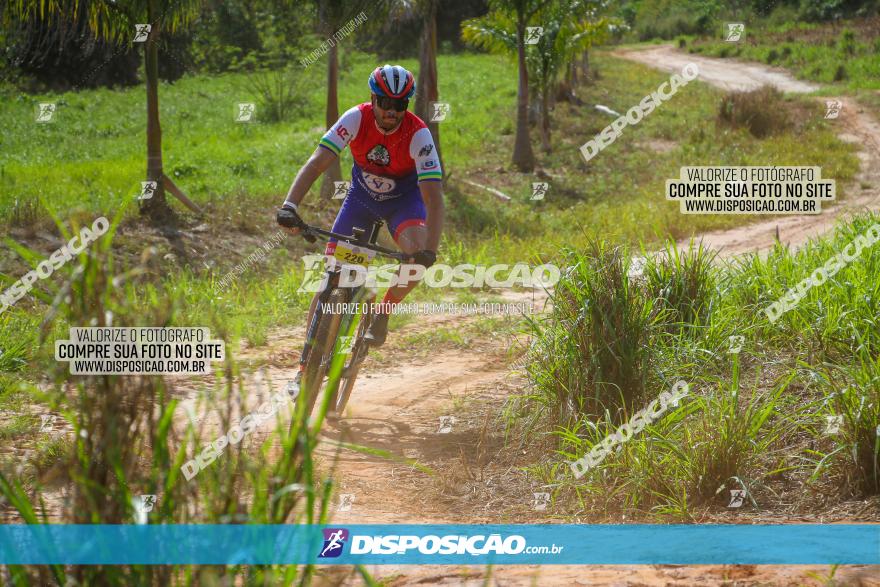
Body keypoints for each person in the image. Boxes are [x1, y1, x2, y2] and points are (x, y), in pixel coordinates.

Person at [277, 64, 444, 391]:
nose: (392, 112)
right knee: (331, 280)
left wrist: (429, 252)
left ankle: (382, 312)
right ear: (373, 99)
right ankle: (304, 366)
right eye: (385, 102)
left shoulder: (418, 134)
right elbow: (317, 162)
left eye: (400, 105)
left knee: (415, 252)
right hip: (362, 199)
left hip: (403, 201)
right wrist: (290, 206)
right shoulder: (355, 118)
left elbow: (434, 198)